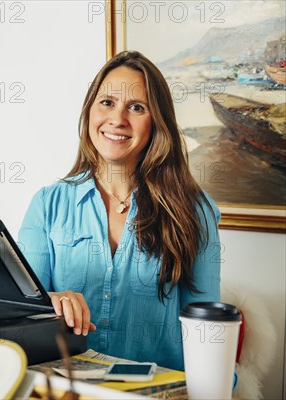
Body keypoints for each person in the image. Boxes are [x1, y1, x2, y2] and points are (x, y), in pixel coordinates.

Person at [18, 51, 221, 371]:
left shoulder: (195, 211)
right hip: (66, 386)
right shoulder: (47, 204)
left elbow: (206, 328)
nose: (117, 119)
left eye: (137, 107)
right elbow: (21, 311)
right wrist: (51, 300)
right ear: (89, 111)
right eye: (107, 102)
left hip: (157, 391)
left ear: (157, 122)